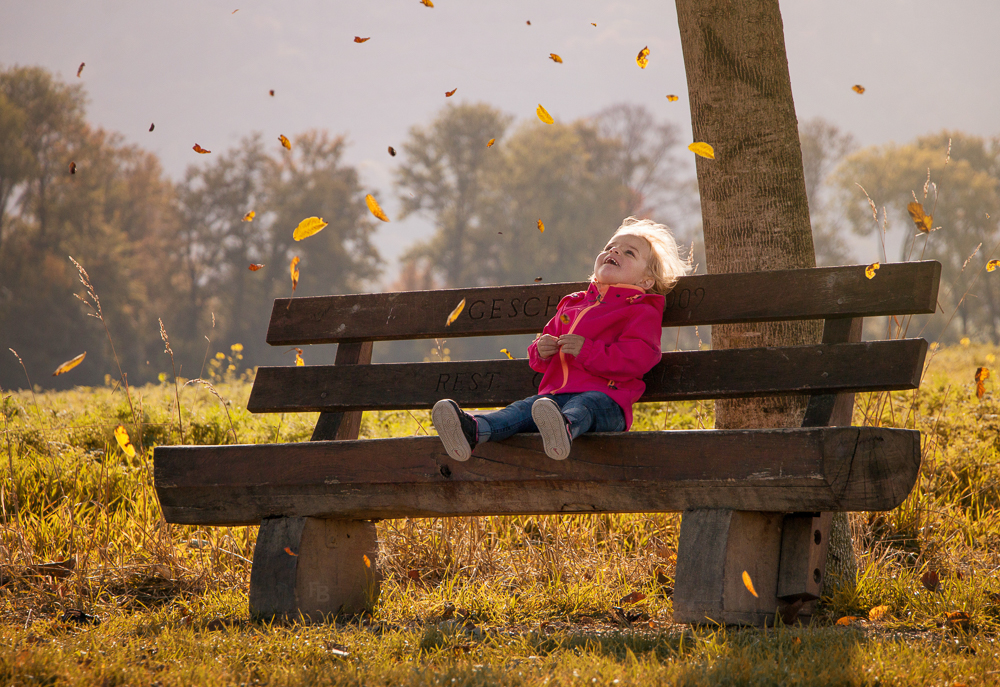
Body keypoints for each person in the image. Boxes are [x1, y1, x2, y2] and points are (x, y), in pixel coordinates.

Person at [432, 217, 690, 461]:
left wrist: (587, 351)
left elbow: (638, 358)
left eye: (629, 252)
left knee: (584, 405)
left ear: (646, 280)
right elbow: (541, 355)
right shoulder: (574, 304)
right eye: (610, 247)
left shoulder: (641, 310)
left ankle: (563, 429)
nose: (614, 252)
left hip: (608, 401)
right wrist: (541, 350)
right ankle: (473, 430)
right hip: (553, 398)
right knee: (522, 410)